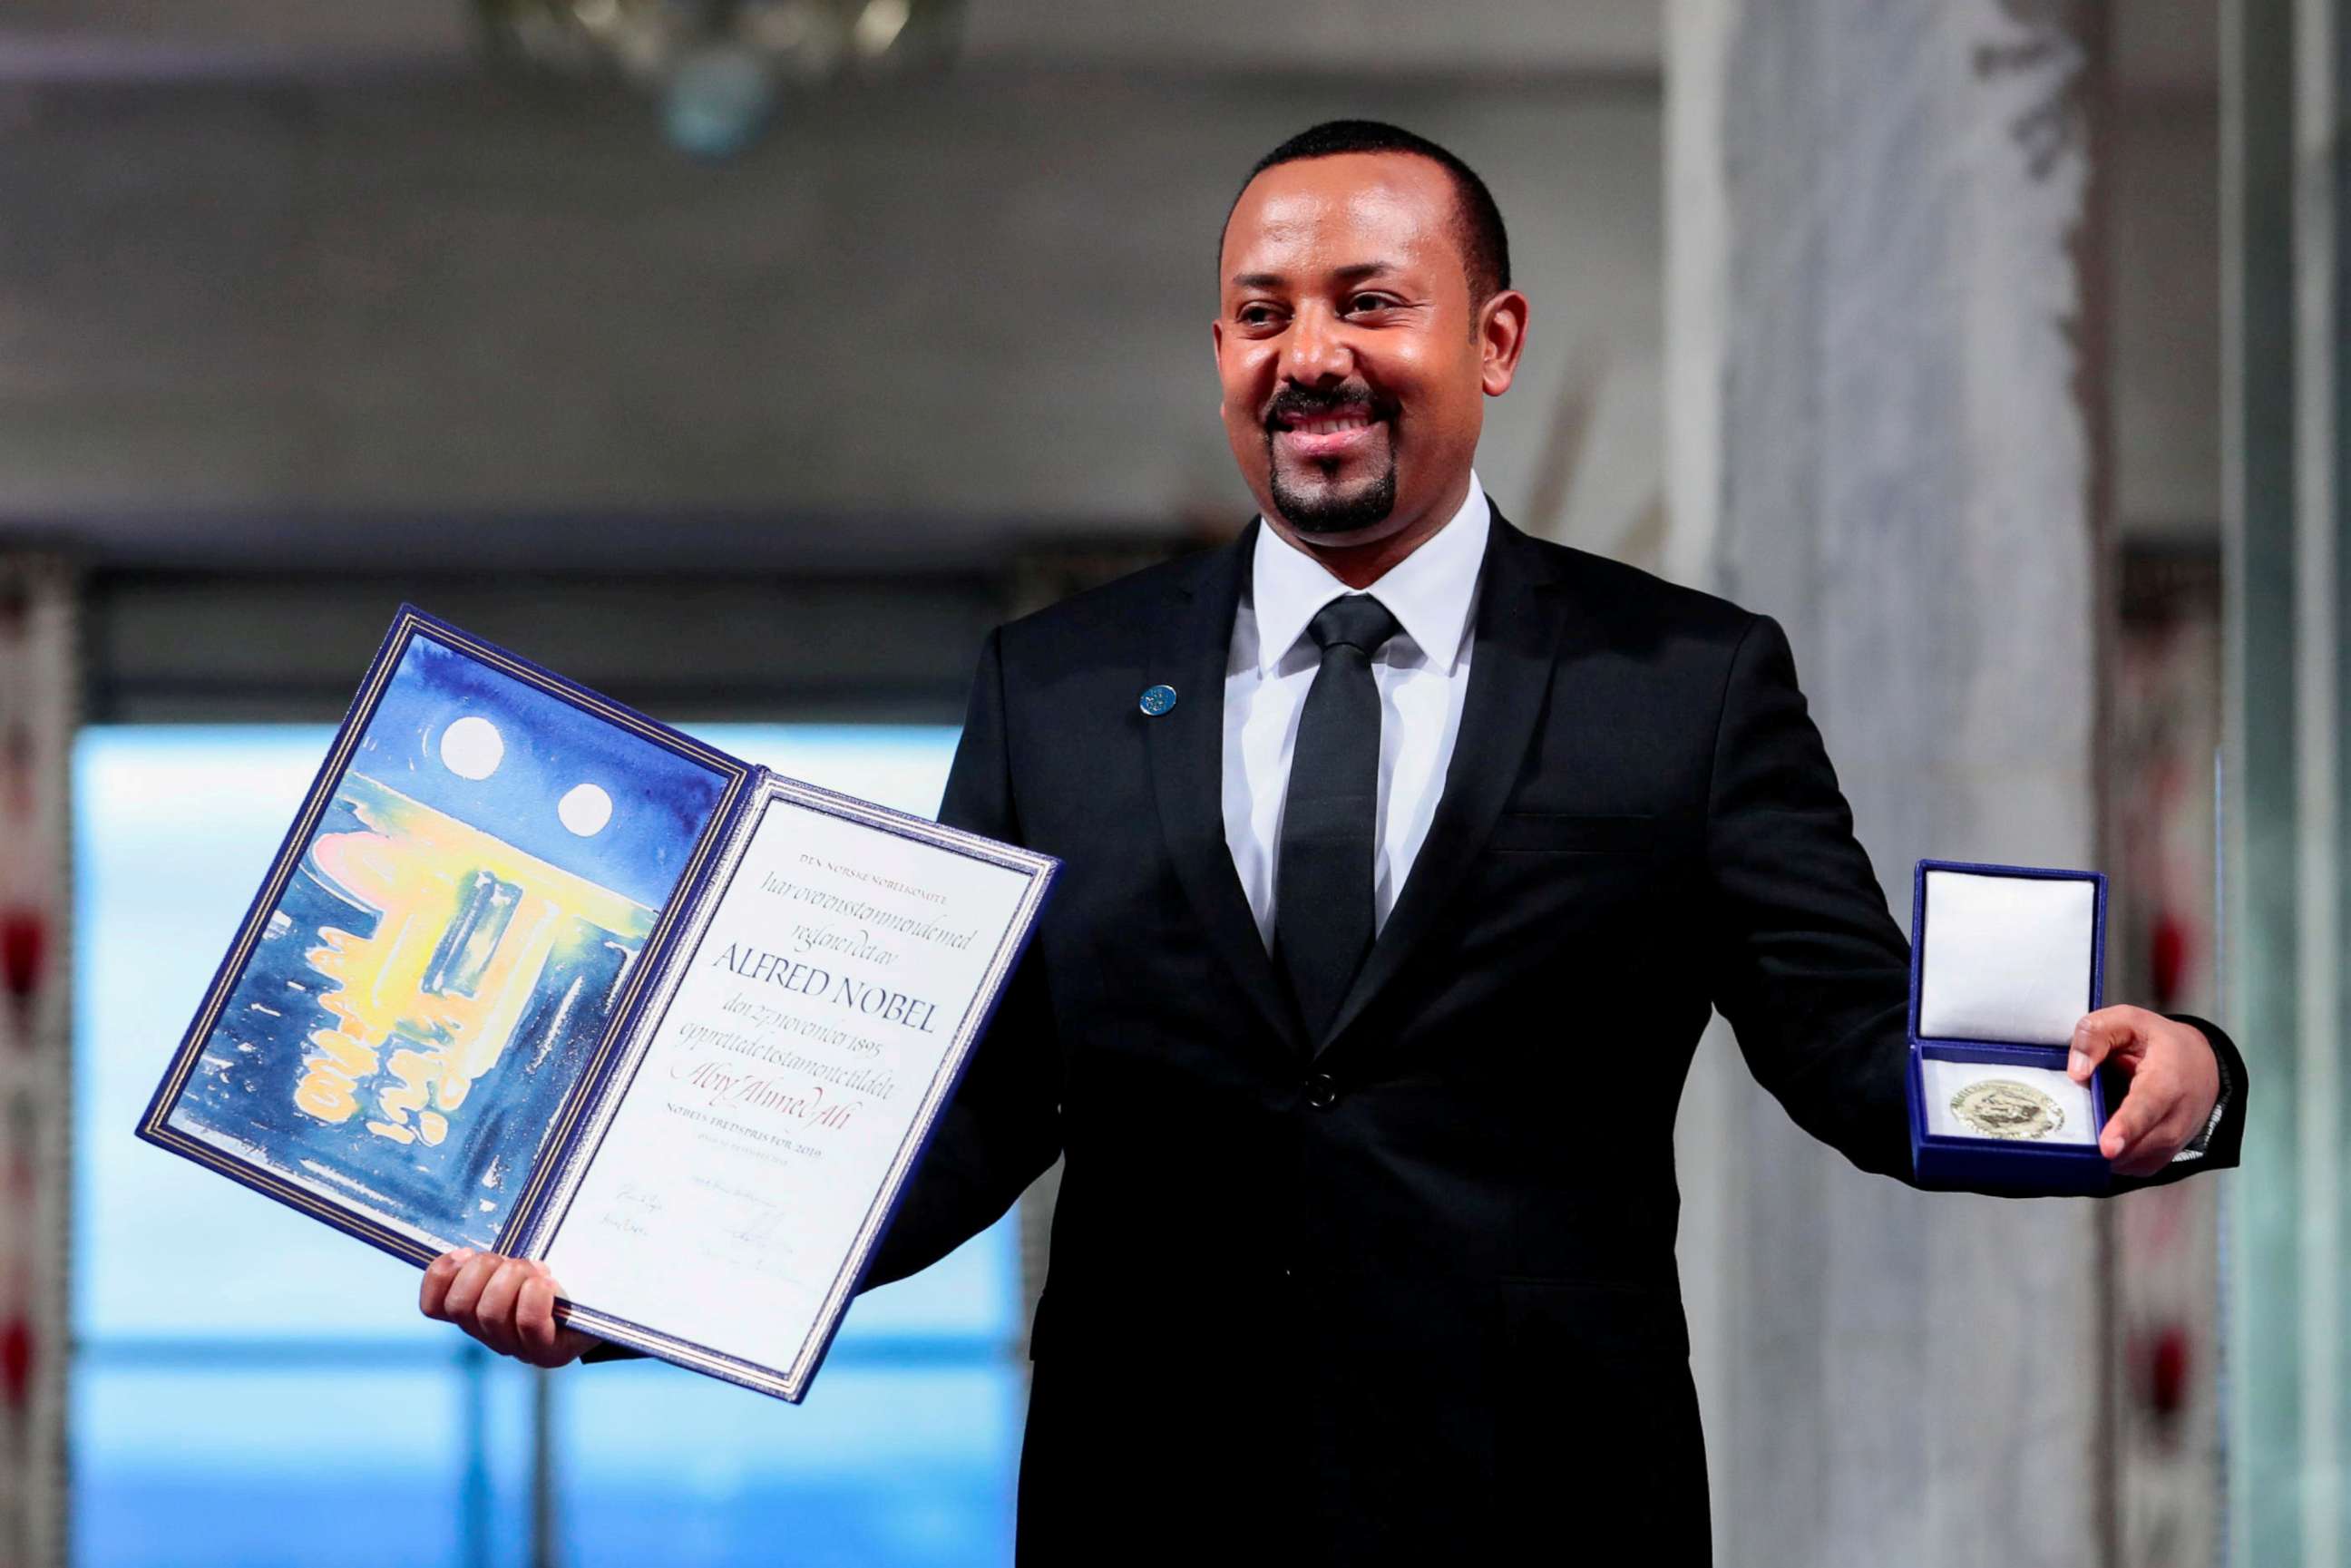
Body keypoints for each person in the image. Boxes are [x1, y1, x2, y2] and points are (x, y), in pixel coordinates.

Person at [419, 120, 2245, 1563]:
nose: (1316, 356)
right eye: (1268, 312)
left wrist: (2168, 1077)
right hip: (1150, 1508)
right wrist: (630, 1287)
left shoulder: (1683, 685)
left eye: (1372, 302)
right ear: (1219, 347)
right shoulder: (1056, 686)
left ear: (1493, 336)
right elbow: (956, 1107)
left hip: (1548, 1513)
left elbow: (1859, 1048)